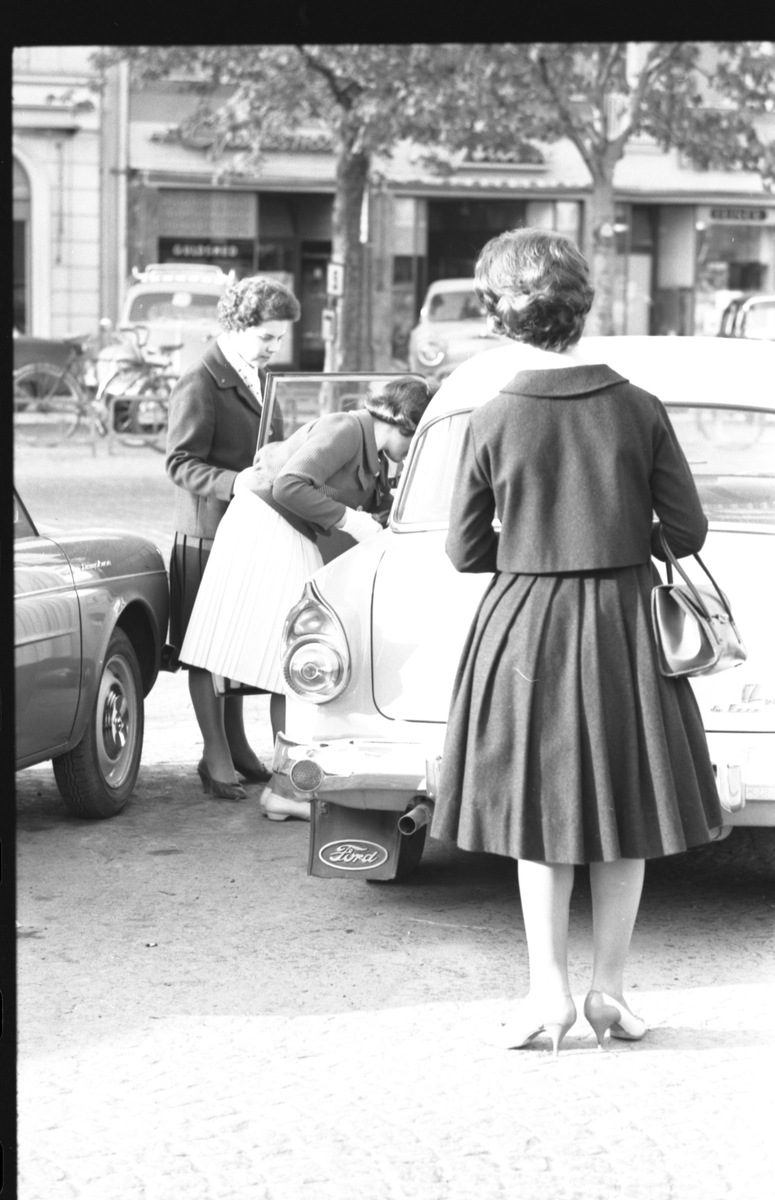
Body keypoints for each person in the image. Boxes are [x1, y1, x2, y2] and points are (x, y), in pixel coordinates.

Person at [430, 228, 722, 1056]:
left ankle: (544, 996)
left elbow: (460, 551)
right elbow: (688, 529)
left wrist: (527, 544)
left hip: (524, 627)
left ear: (500, 317)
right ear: (579, 309)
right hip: (624, 624)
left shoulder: (491, 416)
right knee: (625, 812)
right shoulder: (638, 407)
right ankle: (610, 994)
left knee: (540, 816)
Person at [181, 375, 434, 819]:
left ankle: (289, 786)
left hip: (288, 529)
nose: (411, 453)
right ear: (405, 424)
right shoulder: (346, 429)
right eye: (415, 441)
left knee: (293, 663)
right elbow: (289, 486)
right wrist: (351, 521)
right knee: (273, 654)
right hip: (267, 525)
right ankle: (286, 789)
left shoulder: (373, 449)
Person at [166, 274, 301, 802]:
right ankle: (214, 755)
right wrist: (234, 482)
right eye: (267, 337)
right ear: (239, 326)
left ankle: (239, 747)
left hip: (252, 530)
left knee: (245, 644)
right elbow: (180, 462)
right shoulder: (201, 378)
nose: (274, 347)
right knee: (207, 651)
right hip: (209, 533)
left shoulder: (258, 375)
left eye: (279, 338)